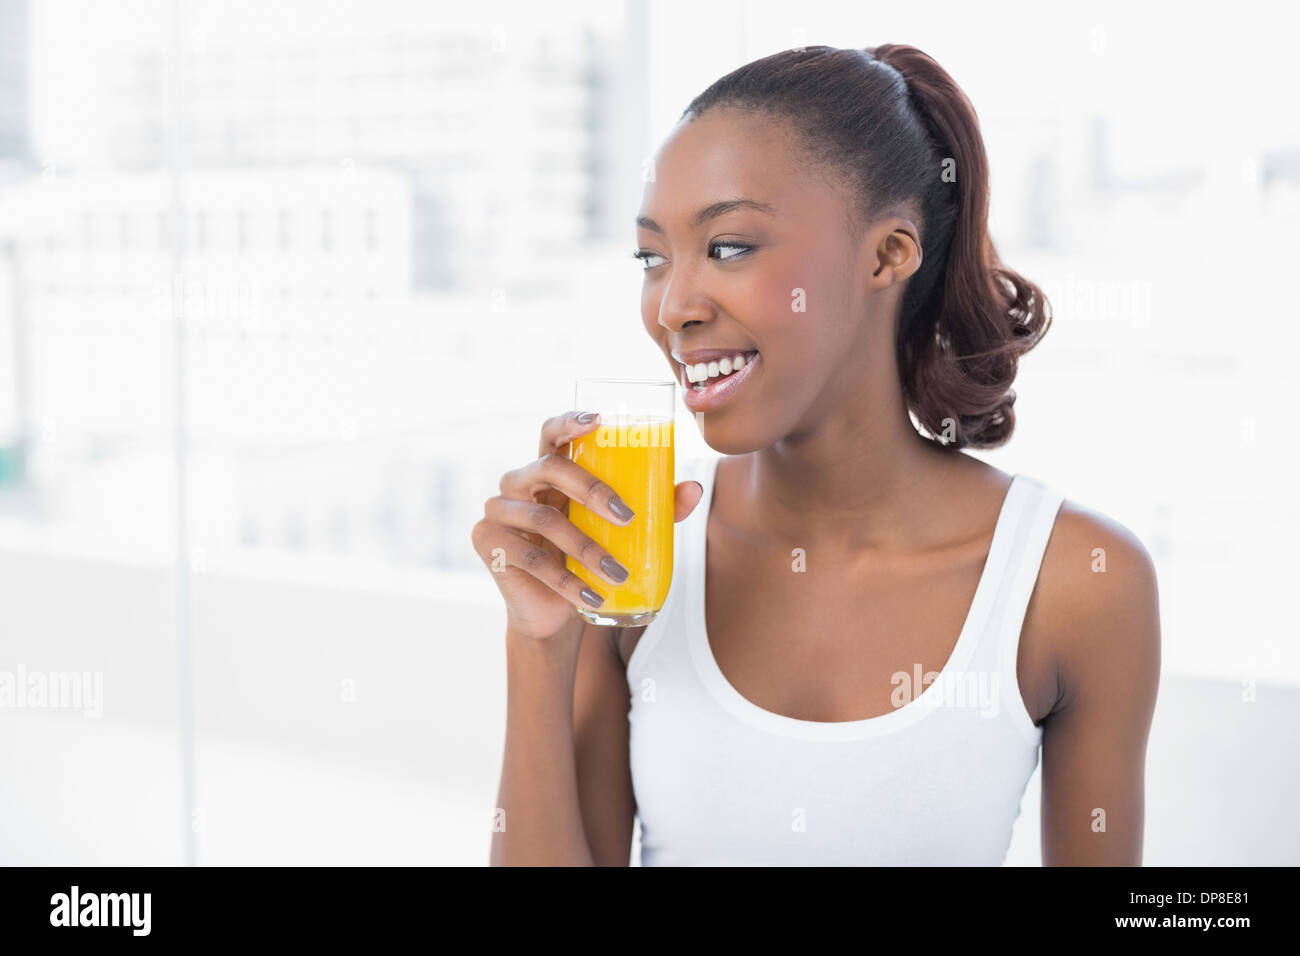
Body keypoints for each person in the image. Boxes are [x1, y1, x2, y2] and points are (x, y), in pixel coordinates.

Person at [472, 44, 1160, 865]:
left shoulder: (1076, 581)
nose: (674, 307)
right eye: (653, 258)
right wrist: (538, 642)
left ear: (886, 256)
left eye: (728, 247)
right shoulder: (631, 563)